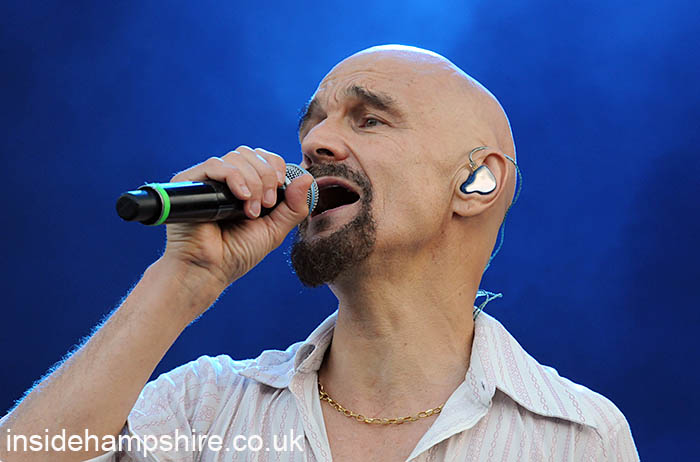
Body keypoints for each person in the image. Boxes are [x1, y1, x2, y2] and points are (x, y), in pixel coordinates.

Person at [0, 45, 639, 461]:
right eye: (313, 125)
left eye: (369, 119)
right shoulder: (205, 408)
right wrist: (182, 279)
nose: (315, 143)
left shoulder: (577, 437)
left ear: (476, 182)